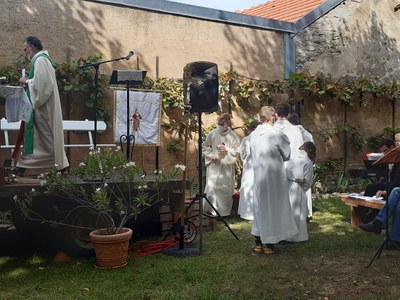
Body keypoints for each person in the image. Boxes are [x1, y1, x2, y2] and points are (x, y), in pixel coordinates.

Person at [16, 36, 69, 174]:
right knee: (41, 139)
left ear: (32, 47)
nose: (25, 52)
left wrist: (26, 81)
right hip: (42, 107)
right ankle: (60, 165)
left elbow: (43, 86)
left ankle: (60, 165)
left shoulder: (40, 60)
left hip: (43, 108)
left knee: (43, 137)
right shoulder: (41, 60)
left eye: (25, 49)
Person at [250, 106, 298, 254]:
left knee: (260, 208)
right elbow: (287, 154)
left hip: (258, 176)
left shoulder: (253, 134)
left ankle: (258, 241)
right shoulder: (276, 133)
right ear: (271, 119)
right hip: (273, 177)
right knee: (272, 208)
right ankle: (269, 242)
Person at [203, 113, 240, 217]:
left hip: (226, 166)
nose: (223, 126)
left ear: (229, 123)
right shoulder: (212, 133)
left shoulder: (233, 135)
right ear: (218, 123)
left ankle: (223, 212)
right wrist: (211, 155)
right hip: (215, 164)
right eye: (221, 124)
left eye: (226, 124)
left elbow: (237, 150)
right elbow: (205, 146)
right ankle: (211, 209)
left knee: (225, 188)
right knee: (212, 187)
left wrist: (227, 149)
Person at [285, 142, 316, 242]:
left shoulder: (292, 158)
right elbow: (307, 179)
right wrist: (305, 187)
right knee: (298, 212)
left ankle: (286, 234)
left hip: (288, 186)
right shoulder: (307, 162)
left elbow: (286, 170)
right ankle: (297, 236)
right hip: (299, 188)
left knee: (288, 211)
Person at [288, 113, 314, 219]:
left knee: (296, 188)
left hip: (295, 163)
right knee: (306, 187)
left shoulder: (292, 133)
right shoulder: (308, 134)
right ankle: (307, 212)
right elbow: (312, 147)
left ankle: (296, 212)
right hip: (307, 162)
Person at [237, 120, 261, 221]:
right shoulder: (247, 140)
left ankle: (249, 213)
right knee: (249, 187)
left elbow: (242, 154)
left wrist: (245, 160)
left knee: (251, 188)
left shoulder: (248, 139)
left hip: (252, 166)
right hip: (252, 166)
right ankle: (250, 212)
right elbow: (242, 153)